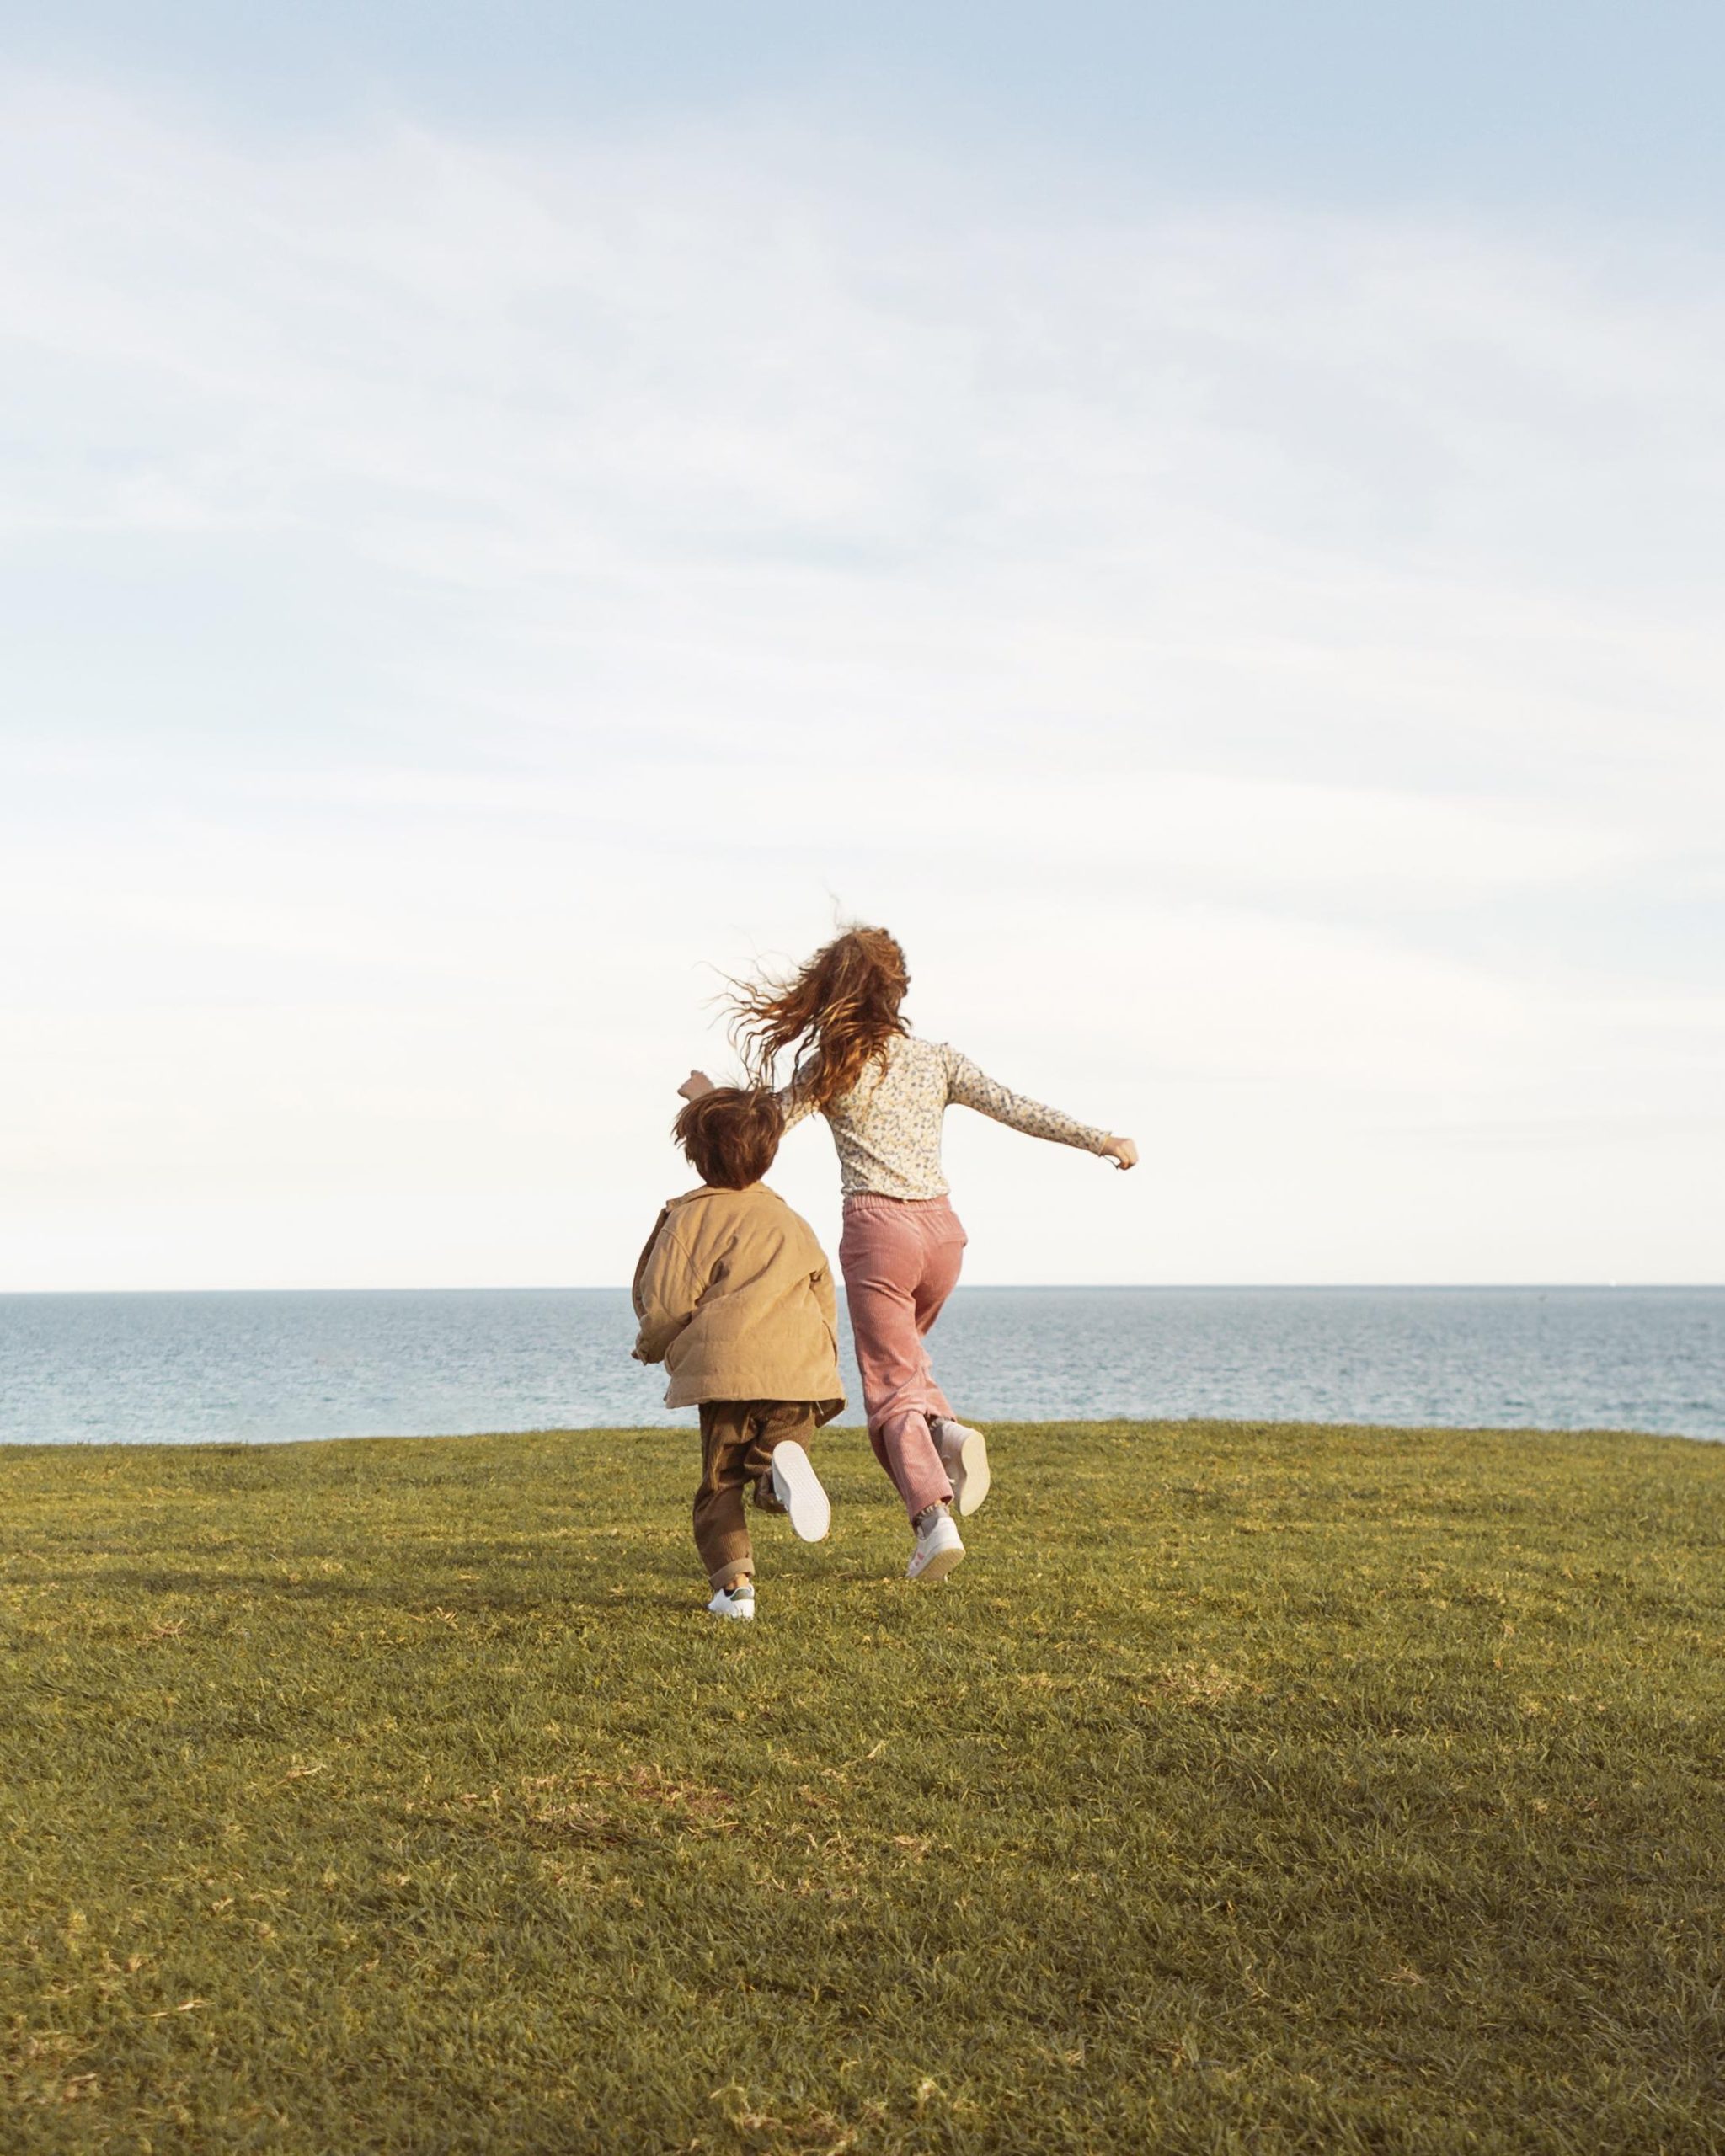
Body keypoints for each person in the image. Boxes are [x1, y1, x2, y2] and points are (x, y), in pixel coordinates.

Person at [680, 926, 1137, 1586]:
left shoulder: (833, 1068)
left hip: (880, 1235)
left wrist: (702, 1101)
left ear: (834, 995)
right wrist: (1100, 1139)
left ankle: (932, 1519)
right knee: (906, 1370)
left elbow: (760, 1127)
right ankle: (945, 1436)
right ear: (898, 992)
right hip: (944, 1237)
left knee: (888, 1395)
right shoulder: (937, 1060)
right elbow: (1017, 1109)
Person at [632, 1086, 846, 1621]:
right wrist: (824, 1360)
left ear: (697, 1157)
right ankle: (776, 1474)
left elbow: (665, 1300)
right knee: (775, 1456)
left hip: (728, 1372)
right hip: (799, 1373)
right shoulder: (791, 1221)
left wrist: (649, 1345)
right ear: (769, 1154)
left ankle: (735, 1590)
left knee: (720, 1482)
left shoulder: (691, 1219)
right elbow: (823, 1294)